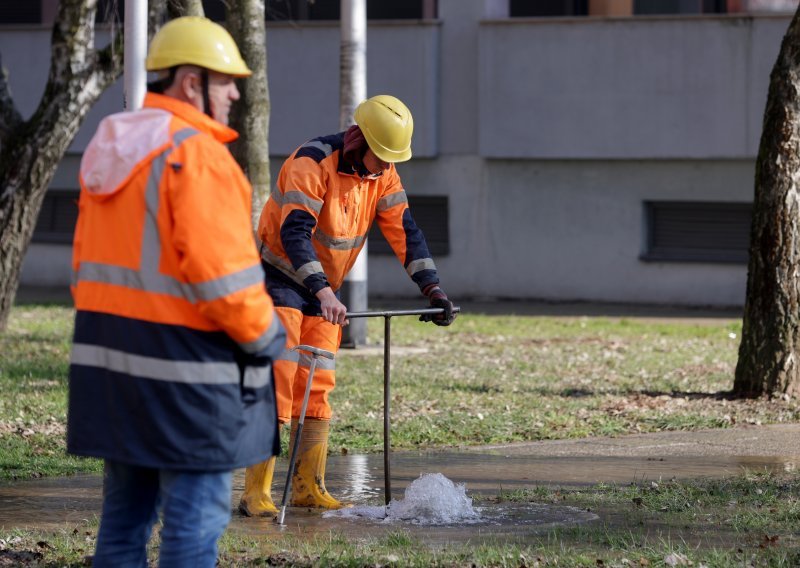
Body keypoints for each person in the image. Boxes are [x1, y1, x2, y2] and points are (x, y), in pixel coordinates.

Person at [66, 17, 285, 567]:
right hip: (187, 377)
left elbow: (84, 268)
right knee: (195, 524)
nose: (236, 91)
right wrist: (268, 336)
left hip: (112, 366)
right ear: (191, 83)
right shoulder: (200, 157)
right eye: (225, 80)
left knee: (124, 522)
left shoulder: (112, 148)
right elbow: (225, 281)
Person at [238, 94, 456, 516]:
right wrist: (321, 290)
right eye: (381, 156)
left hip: (324, 289)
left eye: (392, 159)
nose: (385, 166)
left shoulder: (384, 176)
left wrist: (433, 289)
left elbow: (406, 233)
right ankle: (256, 493)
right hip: (278, 277)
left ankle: (307, 487)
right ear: (361, 141)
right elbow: (295, 233)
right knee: (278, 381)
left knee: (317, 385)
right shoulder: (312, 163)